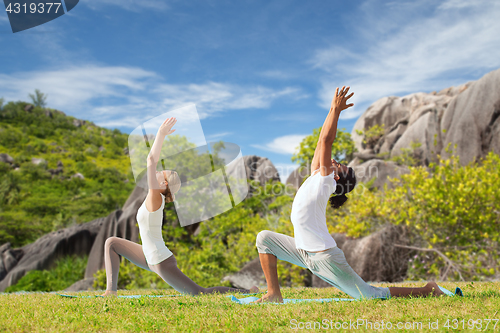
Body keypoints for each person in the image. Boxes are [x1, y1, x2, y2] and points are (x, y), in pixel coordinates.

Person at [254, 86, 444, 303]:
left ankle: (427, 290)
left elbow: (327, 141)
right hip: (303, 251)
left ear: (336, 179)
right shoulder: (318, 174)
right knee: (264, 238)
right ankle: (273, 294)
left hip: (324, 257)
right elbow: (320, 142)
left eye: (339, 165)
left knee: (370, 295)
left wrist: (336, 110)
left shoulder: (326, 181)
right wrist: (330, 110)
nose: (334, 161)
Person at [102, 117, 257, 296]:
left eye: (162, 174)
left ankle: (247, 292)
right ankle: (110, 292)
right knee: (112, 243)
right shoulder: (151, 196)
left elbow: (151, 160)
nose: (158, 172)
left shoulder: (155, 197)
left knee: (200, 293)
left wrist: (160, 135)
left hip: (161, 260)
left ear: (164, 185)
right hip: (147, 255)